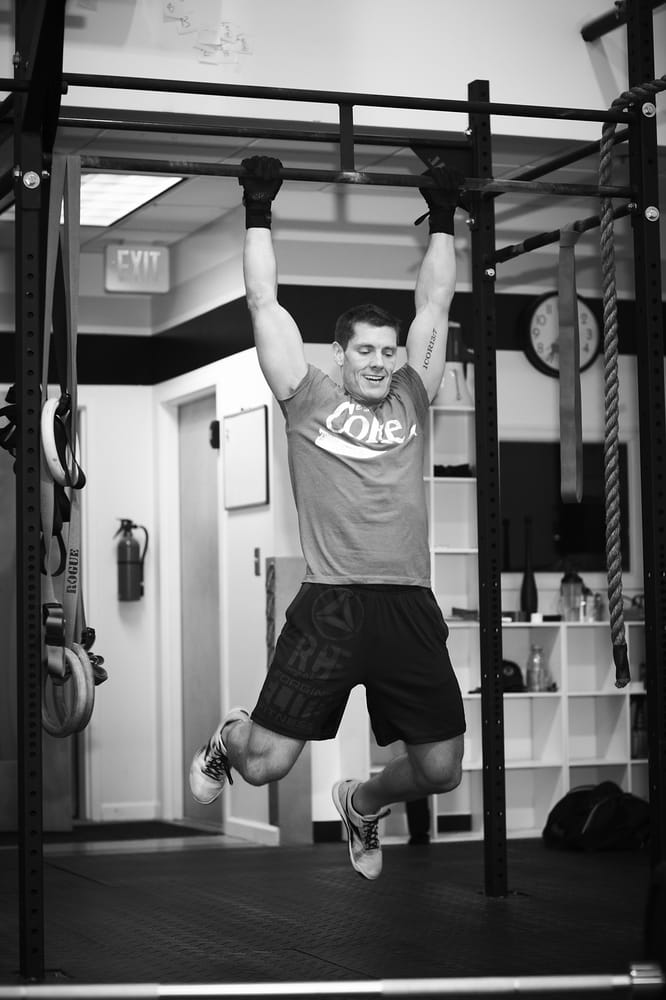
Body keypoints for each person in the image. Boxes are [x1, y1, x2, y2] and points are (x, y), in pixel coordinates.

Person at [189, 154, 466, 880]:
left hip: (407, 604)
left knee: (442, 769)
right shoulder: (305, 395)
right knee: (264, 764)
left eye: (387, 351)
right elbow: (263, 301)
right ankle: (227, 737)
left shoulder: (413, 394)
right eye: (363, 350)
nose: (378, 361)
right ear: (338, 354)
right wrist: (257, 207)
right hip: (332, 604)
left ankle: (362, 802)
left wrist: (444, 216)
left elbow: (435, 302)